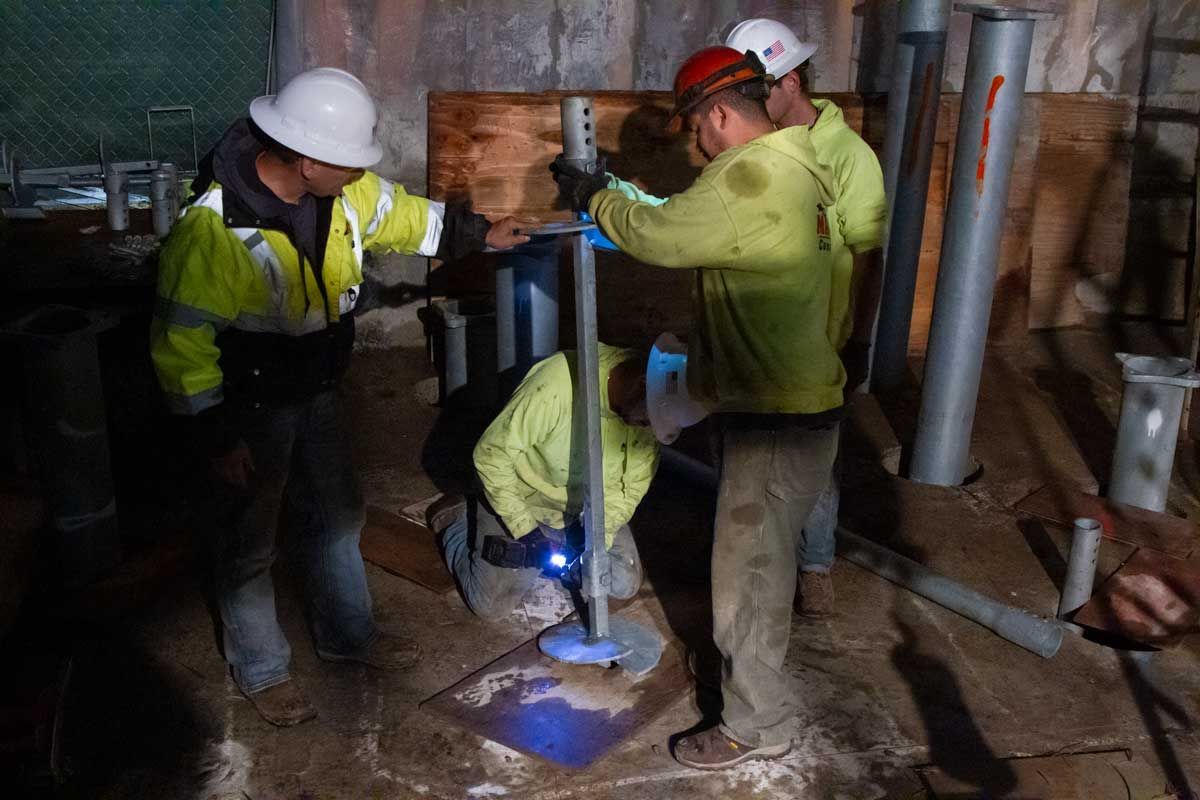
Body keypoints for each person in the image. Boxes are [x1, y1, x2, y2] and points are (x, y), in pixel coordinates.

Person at [150, 67, 528, 727]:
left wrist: (479, 233)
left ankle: (348, 638)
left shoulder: (343, 193)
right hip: (250, 406)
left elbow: (404, 215)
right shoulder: (211, 232)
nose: (360, 174)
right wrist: (215, 435)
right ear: (305, 159)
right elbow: (181, 344)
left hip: (320, 386)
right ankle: (264, 671)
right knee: (249, 541)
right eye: (348, 162)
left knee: (338, 515)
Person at [551, 46, 843, 769]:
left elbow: (659, 236)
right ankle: (755, 700)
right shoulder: (797, 167)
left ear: (720, 112)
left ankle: (756, 724)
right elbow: (689, 218)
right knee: (760, 566)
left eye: (695, 128)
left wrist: (594, 198)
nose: (694, 142)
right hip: (803, 400)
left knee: (747, 582)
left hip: (775, 418)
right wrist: (620, 192)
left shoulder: (748, 177)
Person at [726, 18, 888, 617]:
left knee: (812, 462)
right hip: (755, 337)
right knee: (745, 453)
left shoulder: (848, 158)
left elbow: (870, 256)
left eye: (756, 89)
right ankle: (748, 560)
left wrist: (860, 340)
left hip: (818, 345)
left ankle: (814, 564)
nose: (743, 105)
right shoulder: (750, 142)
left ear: (790, 79)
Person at [440, 345, 660, 620]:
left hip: (579, 511)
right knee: (490, 605)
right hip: (521, 500)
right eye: (648, 420)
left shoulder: (652, 412)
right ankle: (457, 523)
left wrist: (596, 535)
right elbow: (491, 456)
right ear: (639, 386)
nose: (650, 428)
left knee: (621, 582)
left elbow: (629, 490)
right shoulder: (557, 384)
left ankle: (553, 556)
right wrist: (526, 531)